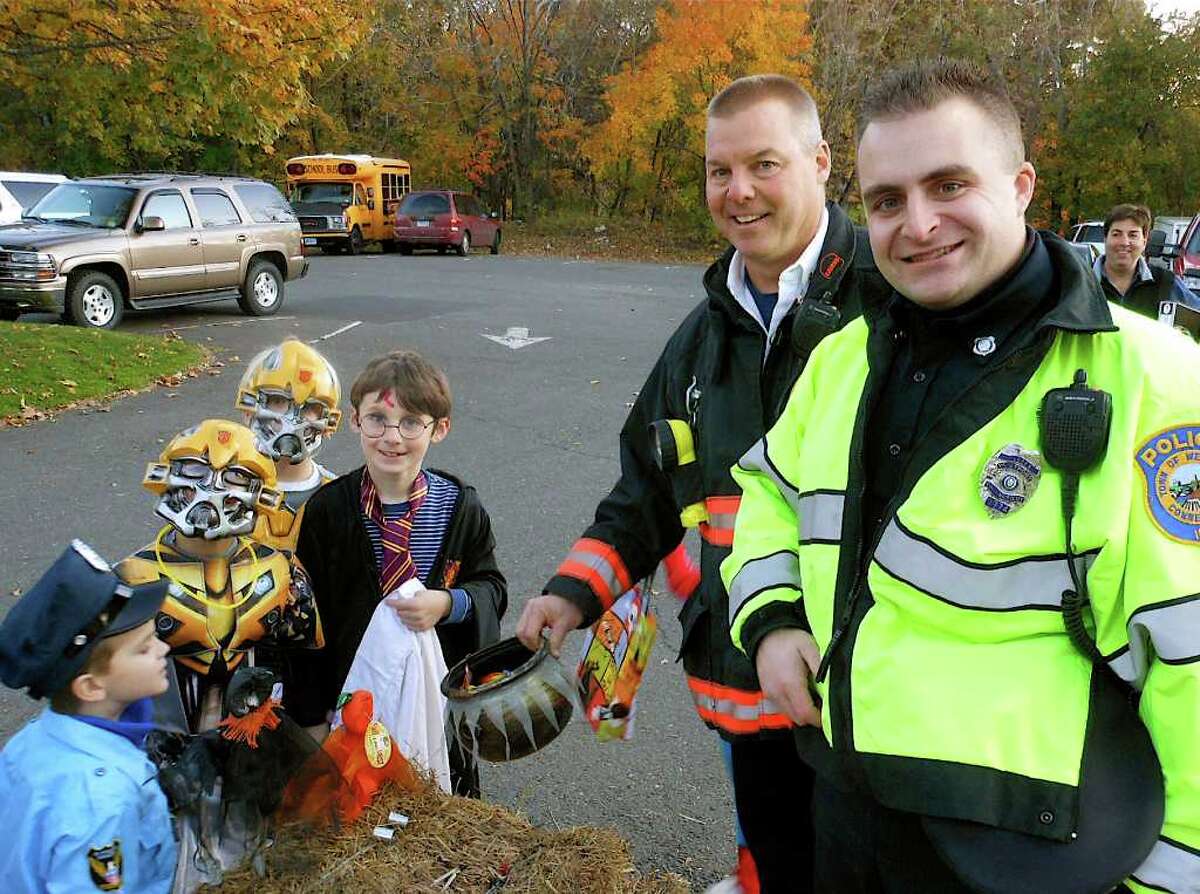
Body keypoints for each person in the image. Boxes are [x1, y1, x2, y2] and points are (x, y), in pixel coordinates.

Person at [722, 57, 1200, 893]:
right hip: (847, 805)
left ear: (1020, 186)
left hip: (1032, 850)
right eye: (886, 201)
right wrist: (771, 615)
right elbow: (769, 489)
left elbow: (1193, 658)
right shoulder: (843, 359)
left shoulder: (1156, 380)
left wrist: (1171, 880)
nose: (919, 224)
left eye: (949, 186)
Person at [516, 74, 890, 891]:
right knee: (783, 869)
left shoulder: (893, 302)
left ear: (821, 162)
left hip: (871, 702)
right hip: (747, 694)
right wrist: (570, 595)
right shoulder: (701, 335)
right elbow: (644, 495)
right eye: (721, 171)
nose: (739, 190)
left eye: (764, 164)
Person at [285, 349, 507, 797]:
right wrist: (309, 718)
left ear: (439, 428)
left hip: (435, 706)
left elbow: (491, 587)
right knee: (353, 816)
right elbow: (304, 622)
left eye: (411, 422)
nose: (392, 437)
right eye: (377, 419)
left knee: (434, 816)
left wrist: (446, 603)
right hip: (349, 703)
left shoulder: (460, 508)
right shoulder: (327, 512)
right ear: (354, 420)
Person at [116, 419, 323, 731]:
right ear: (166, 477)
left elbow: (308, 672)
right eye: (195, 470)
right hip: (152, 755)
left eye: (236, 477)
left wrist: (312, 742)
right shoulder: (131, 578)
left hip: (253, 750)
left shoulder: (283, 572)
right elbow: (98, 686)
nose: (211, 488)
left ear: (263, 494)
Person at [0, 540, 177, 893]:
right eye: (143, 648)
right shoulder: (101, 801)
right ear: (91, 687)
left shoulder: (32, 740)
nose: (164, 649)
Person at [236, 338, 343, 554]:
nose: (291, 420)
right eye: (277, 400)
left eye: (310, 407)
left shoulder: (338, 498)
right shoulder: (222, 485)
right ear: (248, 410)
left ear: (328, 423)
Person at [1093, 203, 1198, 316]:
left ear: (1144, 241)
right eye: (1116, 234)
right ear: (1105, 238)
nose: (1124, 242)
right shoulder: (1081, 282)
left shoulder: (1166, 283)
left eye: (1133, 235)